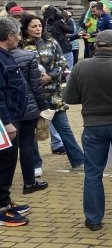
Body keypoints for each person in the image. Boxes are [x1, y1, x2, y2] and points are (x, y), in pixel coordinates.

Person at [63, 30, 112, 232]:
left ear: (96, 46)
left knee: (92, 173)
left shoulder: (81, 66)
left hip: (92, 125)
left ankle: (93, 219)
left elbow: (70, 98)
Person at [20, 15, 84, 170]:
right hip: (32, 96)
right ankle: (35, 164)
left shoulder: (51, 42)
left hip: (53, 94)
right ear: (26, 28)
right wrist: (36, 80)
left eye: (39, 26)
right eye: (34, 26)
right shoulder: (20, 45)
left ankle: (78, 160)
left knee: (65, 129)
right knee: (30, 133)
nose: (38, 29)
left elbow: (61, 61)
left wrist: (51, 76)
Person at [0, 18, 31, 226]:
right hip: (6, 122)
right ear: (10, 36)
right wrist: (6, 123)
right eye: (18, 34)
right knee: (4, 163)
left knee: (9, 162)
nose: (20, 39)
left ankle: (4, 200)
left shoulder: (5, 56)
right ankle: (2, 208)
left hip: (13, 118)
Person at [8, 39, 49, 194]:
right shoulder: (27, 56)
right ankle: (29, 182)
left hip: (8, 108)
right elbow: (36, 85)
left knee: (9, 147)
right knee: (26, 145)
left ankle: (6, 186)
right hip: (28, 104)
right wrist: (43, 106)